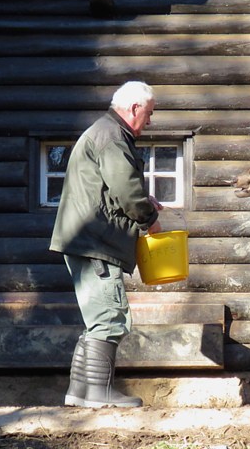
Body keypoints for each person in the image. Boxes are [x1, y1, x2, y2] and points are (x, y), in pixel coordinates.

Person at [50, 81, 163, 408]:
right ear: (135, 108)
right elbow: (126, 189)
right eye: (150, 114)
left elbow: (111, 188)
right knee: (110, 317)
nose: (150, 122)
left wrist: (144, 199)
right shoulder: (113, 137)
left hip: (86, 238)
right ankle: (100, 393)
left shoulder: (103, 133)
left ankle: (80, 392)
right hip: (97, 240)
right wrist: (149, 219)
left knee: (97, 318)